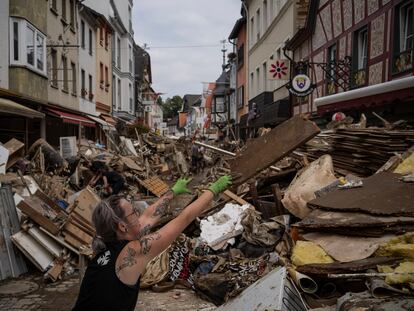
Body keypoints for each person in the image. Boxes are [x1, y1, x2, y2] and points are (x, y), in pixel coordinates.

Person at [72, 175, 232, 311]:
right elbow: (184, 219)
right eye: (134, 212)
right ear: (122, 226)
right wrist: (213, 190)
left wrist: (173, 192)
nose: (138, 214)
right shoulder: (133, 251)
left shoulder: (106, 243)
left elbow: (148, 216)